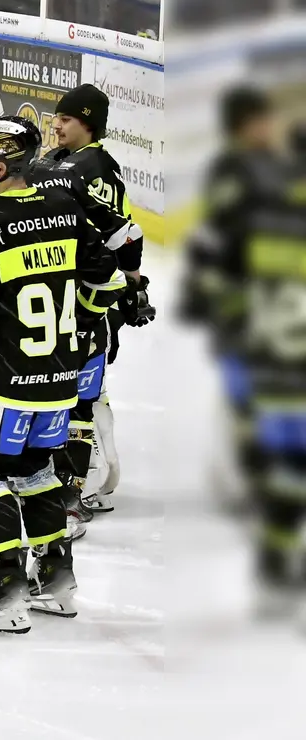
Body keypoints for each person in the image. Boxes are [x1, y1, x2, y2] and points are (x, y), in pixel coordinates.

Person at [0, 117, 126, 633]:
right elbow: (106, 282)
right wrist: (79, 322)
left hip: (4, 379)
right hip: (60, 377)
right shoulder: (64, 209)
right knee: (37, 469)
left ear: (0, 166)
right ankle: (57, 579)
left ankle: (8, 588)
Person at [180, 104, 306, 616]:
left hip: (270, 354)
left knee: (284, 460)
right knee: (283, 458)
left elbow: (214, 261)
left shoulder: (261, 207)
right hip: (276, 354)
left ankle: (275, 554)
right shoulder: (250, 195)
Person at [38, 83, 151, 526]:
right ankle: (76, 478)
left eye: (66, 119)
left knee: (79, 399)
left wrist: (132, 285)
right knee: (60, 392)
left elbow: (126, 234)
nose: (57, 125)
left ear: (87, 123)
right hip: (54, 301)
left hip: (86, 304)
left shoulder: (96, 167)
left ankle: (71, 490)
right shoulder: (56, 161)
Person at [181, 88, 283, 513]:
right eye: (261, 120)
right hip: (241, 303)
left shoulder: (271, 167)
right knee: (246, 393)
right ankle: (252, 474)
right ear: (244, 125)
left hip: (273, 300)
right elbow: (216, 237)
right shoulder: (232, 171)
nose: (268, 128)